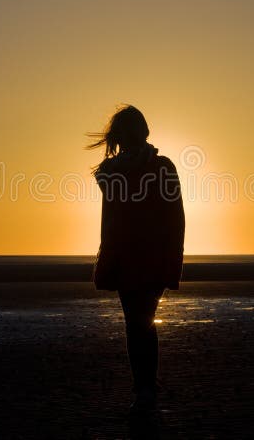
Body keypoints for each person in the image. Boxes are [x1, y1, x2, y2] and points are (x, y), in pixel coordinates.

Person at [87, 105, 186, 412]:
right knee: (141, 322)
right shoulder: (157, 167)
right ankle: (145, 387)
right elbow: (176, 218)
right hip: (142, 258)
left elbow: (172, 218)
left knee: (137, 323)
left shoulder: (114, 172)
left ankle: (144, 387)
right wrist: (173, 261)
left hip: (133, 258)